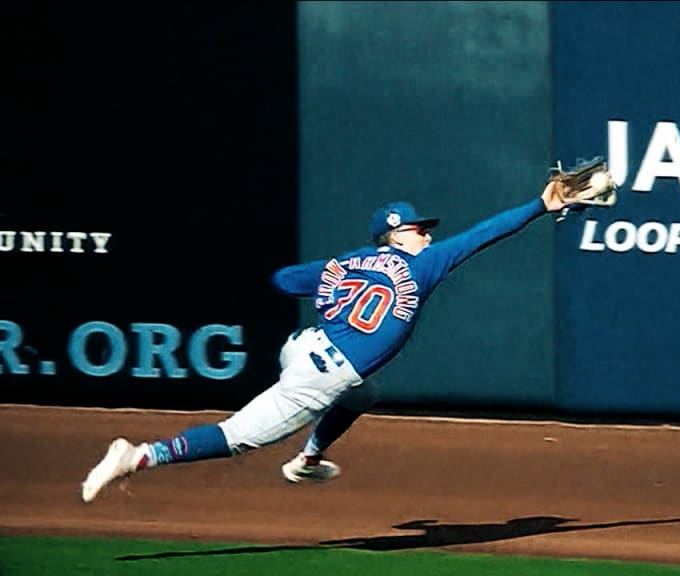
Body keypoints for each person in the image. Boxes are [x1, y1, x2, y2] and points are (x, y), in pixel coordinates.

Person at [80, 179, 577, 503]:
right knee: (236, 438)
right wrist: (540, 204)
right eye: (419, 228)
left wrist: (330, 276)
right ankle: (140, 455)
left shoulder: (348, 263)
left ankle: (308, 458)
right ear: (397, 235)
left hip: (305, 345)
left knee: (367, 393)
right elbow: (483, 234)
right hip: (318, 375)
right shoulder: (423, 265)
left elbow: (281, 280)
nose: (427, 234)